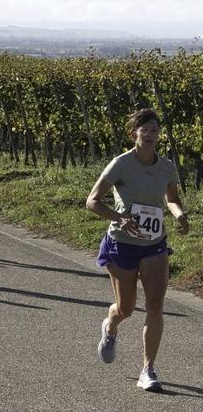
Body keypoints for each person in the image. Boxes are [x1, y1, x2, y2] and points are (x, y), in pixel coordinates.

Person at [86, 108, 189, 392]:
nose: (152, 134)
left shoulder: (166, 167)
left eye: (155, 130)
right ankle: (110, 325)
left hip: (154, 243)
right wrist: (120, 218)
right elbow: (92, 201)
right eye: (146, 130)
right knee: (127, 308)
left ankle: (148, 369)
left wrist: (179, 214)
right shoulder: (121, 164)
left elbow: (172, 199)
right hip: (122, 243)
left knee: (156, 305)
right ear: (134, 134)